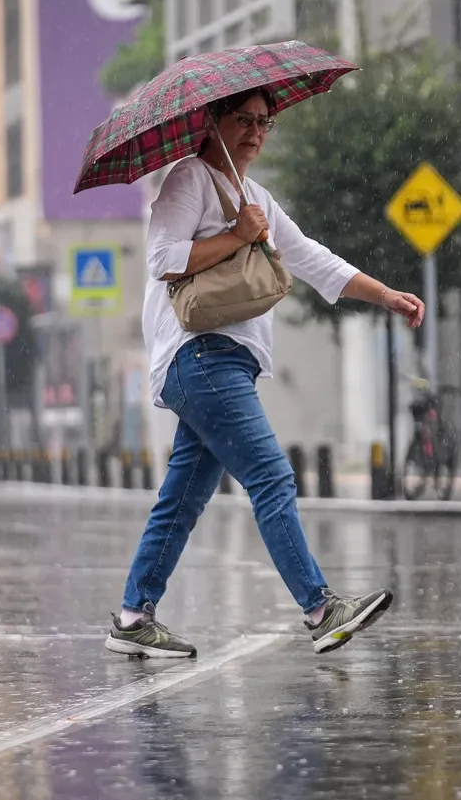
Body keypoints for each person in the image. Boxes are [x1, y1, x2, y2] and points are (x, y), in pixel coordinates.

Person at [107, 88, 425, 659]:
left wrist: (384, 296)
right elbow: (161, 259)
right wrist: (236, 236)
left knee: (183, 498)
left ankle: (134, 615)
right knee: (272, 477)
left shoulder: (255, 196)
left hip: (227, 362)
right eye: (243, 120)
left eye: (264, 122)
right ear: (212, 124)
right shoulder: (190, 180)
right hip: (198, 354)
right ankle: (321, 609)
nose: (255, 131)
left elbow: (311, 258)